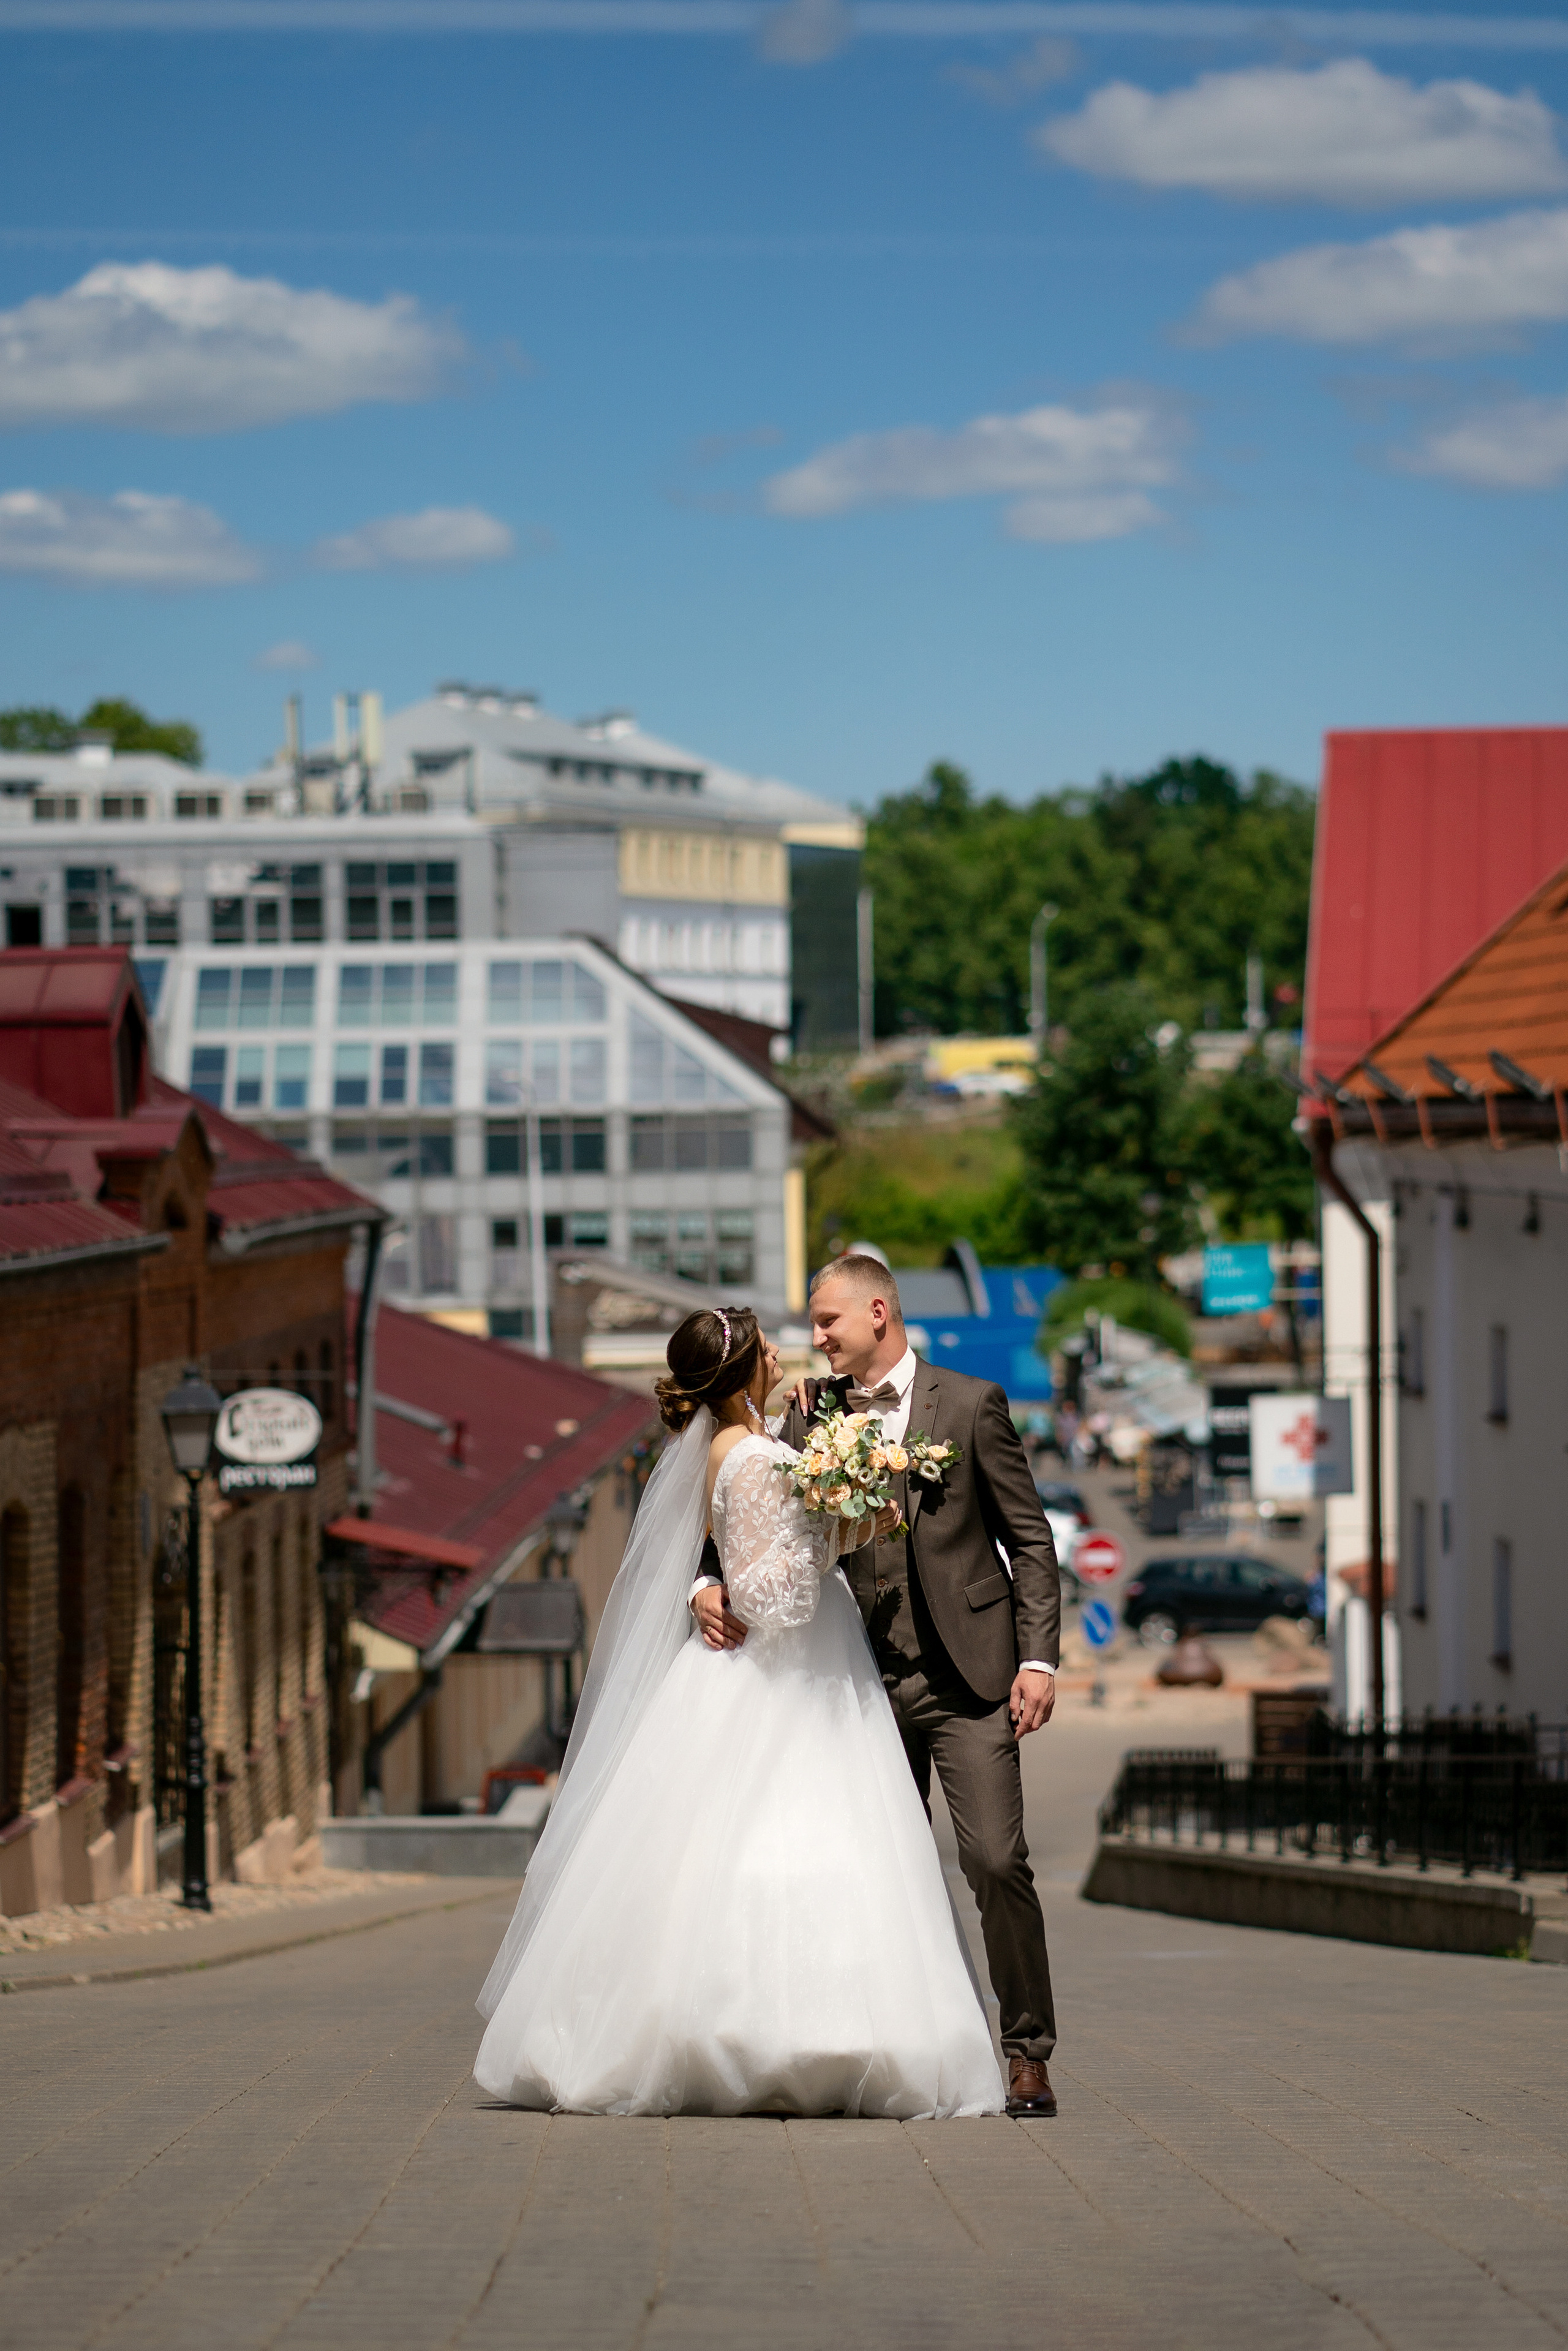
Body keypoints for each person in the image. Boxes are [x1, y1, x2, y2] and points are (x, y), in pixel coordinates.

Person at [473, 1305, 1005, 2119]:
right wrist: (842, 1526)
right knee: (795, 1837)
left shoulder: (739, 1444)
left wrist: (827, 1512)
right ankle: (778, 2034)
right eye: (765, 1347)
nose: (779, 1353)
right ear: (742, 1369)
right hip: (787, 1673)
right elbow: (770, 1597)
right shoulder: (753, 1454)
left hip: (773, 1671)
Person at [694, 1256, 1061, 2118]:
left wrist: (1037, 1659)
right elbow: (751, 1511)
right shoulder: (810, 1410)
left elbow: (1030, 1540)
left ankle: (1027, 2049)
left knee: (995, 1859)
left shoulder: (970, 1404)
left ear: (879, 1311)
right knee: (863, 1869)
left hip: (969, 1677)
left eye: (827, 1322)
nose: (815, 1338)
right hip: (851, 1678)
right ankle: (882, 2044)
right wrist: (703, 1582)